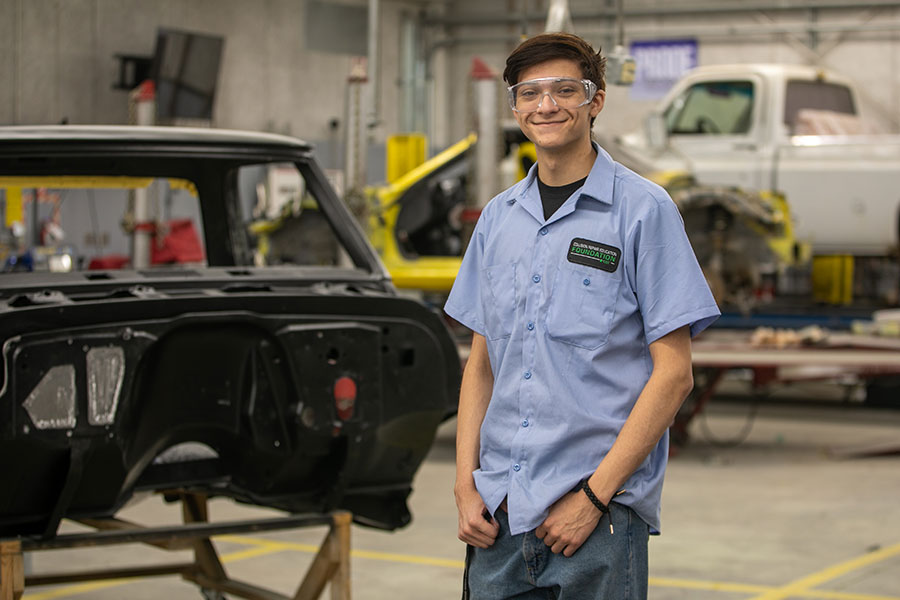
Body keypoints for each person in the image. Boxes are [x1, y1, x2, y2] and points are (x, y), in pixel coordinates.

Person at [444, 32, 720, 599]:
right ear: (516, 107)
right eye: (530, 93)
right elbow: (482, 366)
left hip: (596, 521)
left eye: (565, 90)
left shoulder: (644, 211)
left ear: (595, 101)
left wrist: (593, 498)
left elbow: (673, 374)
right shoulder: (498, 219)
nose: (546, 105)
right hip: (496, 516)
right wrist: (464, 486)